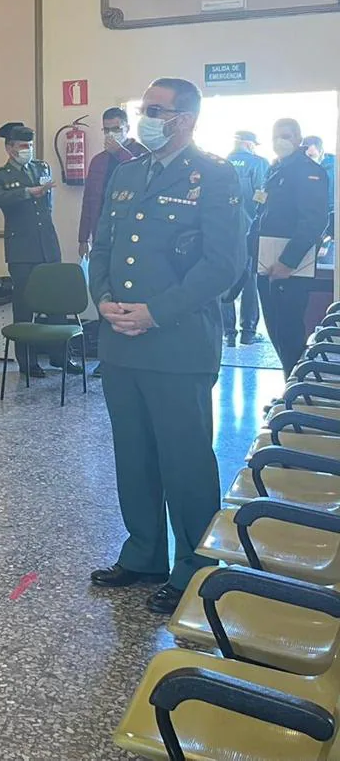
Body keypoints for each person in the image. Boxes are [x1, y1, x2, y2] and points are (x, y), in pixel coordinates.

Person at [88, 78, 243, 615]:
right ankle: (144, 552)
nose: (145, 118)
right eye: (143, 109)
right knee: (133, 455)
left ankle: (196, 568)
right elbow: (103, 245)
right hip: (121, 344)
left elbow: (224, 264)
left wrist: (157, 312)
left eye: (156, 111)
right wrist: (102, 297)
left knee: (185, 461)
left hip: (177, 344)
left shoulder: (216, 176)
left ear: (186, 119)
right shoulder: (127, 172)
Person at [0, 122, 81, 378]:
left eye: (29, 145)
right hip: (22, 248)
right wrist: (28, 192)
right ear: (9, 148)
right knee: (25, 304)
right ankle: (27, 362)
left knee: (57, 302)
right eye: (21, 146)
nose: (27, 150)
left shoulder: (42, 167)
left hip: (47, 245)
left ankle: (62, 356)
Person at [252, 119, 331, 376]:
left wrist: (288, 262)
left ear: (299, 139)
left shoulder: (310, 172)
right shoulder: (276, 169)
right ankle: (290, 387)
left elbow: (314, 221)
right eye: (276, 135)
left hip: (288, 269)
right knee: (274, 330)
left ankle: (296, 394)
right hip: (266, 264)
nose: (280, 141)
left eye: (286, 135)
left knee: (289, 334)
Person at [78, 108, 149, 377]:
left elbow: (145, 179)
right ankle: (106, 356)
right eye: (106, 129)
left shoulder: (141, 154)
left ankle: (135, 352)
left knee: (130, 292)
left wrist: (119, 151)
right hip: (103, 237)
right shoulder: (97, 161)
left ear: (127, 127)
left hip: (133, 239)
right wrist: (82, 236)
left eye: (116, 128)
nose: (110, 134)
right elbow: (89, 201)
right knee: (104, 292)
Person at [225, 131, 270, 346]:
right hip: (249, 229)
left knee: (224, 278)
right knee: (250, 280)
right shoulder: (259, 163)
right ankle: (248, 332)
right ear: (248, 143)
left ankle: (228, 332)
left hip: (223, 232)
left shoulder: (220, 163)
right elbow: (262, 195)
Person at [305, 135, 336, 240]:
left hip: (330, 222)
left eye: (311, 155)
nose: (309, 160)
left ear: (321, 152)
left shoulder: (334, 169)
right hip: (310, 222)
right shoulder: (303, 169)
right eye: (305, 156)